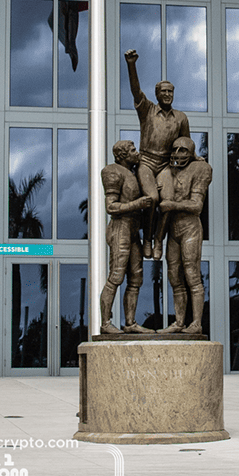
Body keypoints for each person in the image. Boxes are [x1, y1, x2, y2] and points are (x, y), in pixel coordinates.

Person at [125, 49, 191, 261]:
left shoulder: (181, 118)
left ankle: (159, 240)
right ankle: (147, 239)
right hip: (146, 161)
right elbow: (136, 91)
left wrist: (195, 160)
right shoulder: (148, 110)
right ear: (157, 94)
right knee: (152, 198)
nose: (167, 95)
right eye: (163, 92)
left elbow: (186, 144)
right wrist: (131, 64)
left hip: (165, 165)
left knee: (167, 202)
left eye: (170, 92)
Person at [98, 140, 157, 335]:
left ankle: (130, 322)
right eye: (132, 150)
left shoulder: (133, 173)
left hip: (133, 230)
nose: (136, 152)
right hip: (120, 228)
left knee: (136, 278)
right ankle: (105, 323)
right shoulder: (112, 171)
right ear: (122, 155)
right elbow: (111, 207)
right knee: (116, 276)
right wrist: (138, 203)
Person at [156, 137, 212, 334]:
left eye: (183, 151)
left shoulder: (200, 169)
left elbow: (197, 205)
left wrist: (173, 205)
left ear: (191, 153)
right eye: (175, 150)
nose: (177, 154)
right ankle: (179, 322)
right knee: (173, 276)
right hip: (173, 229)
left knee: (192, 275)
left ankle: (196, 323)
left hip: (190, 227)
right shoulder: (168, 172)